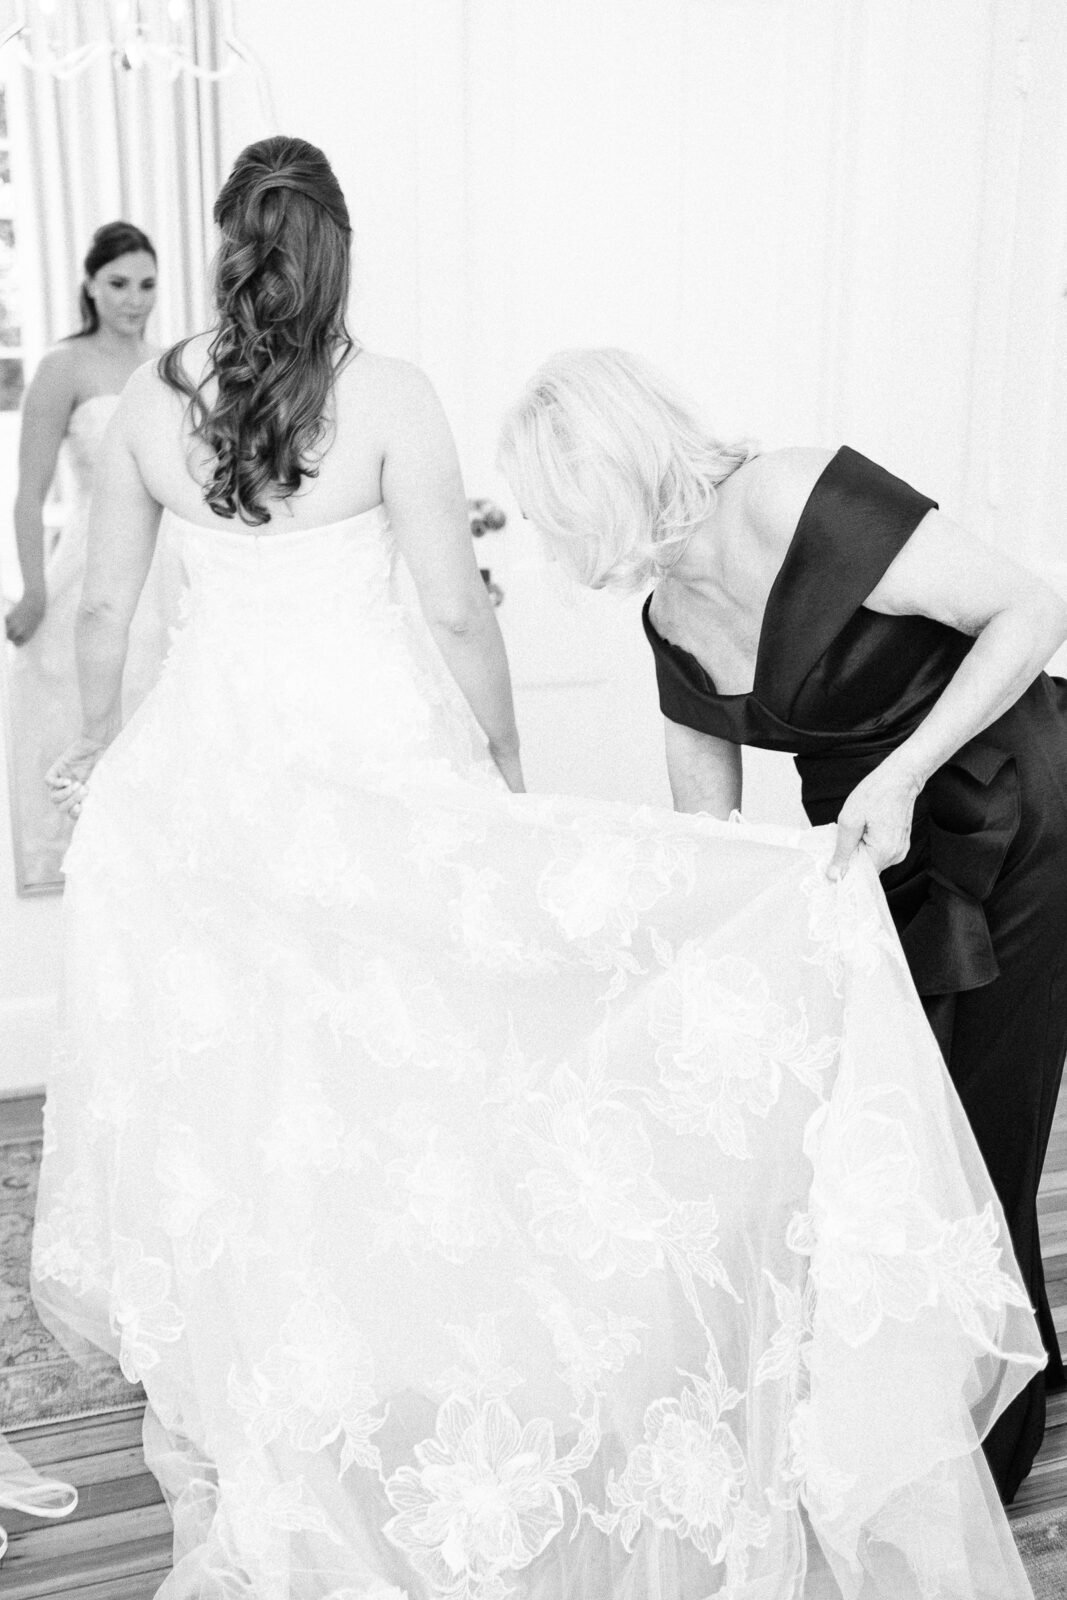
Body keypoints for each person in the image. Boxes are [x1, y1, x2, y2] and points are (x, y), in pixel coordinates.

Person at [24, 139, 1044, 1599]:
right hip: (369, 768)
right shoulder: (386, 396)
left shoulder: (144, 406)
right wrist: (500, 778)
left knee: (248, 1083)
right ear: (338, 251)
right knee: (401, 1069)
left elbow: (107, 605)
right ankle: (397, 1349)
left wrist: (90, 773)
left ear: (220, 243)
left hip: (206, 784)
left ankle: (278, 1365)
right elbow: (451, 612)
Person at [498, 345, 1067, 1506]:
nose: (558, 548)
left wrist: (903, 773)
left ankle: (986, 1433)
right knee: (903, 1121)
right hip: (876, 853)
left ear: (606, 475)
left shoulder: (791, 493)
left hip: (1013, 805)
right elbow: (703, 831)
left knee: (980, 1115)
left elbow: (1029, 608)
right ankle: (989, 1364)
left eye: (559, 516)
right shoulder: (664, 615)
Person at [4, 222, 179, 884]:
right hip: (94, 557)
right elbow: (28, 495)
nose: (134, 299)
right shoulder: (64, 367)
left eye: (146, 285)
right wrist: (34, 590)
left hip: (171, 561)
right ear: (90, 285)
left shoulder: (171, 364)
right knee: (87, 710)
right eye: (118, 284)